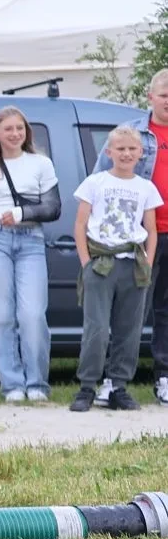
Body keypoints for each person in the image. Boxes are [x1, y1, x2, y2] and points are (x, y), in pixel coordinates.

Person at [0, 107, 59, 403]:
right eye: (8, 129)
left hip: (31, 241)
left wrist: (21, 213)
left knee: (32, 314)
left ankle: (37, 383)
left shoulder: (40, 164)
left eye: (20, 128)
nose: (15, 134)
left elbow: (53, 208)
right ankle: (12, 385)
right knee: (0, 317)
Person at [70, 126, 161, 412]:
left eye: (132, 149)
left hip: (132, 264)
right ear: (108, 152)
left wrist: (146, 260)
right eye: (120, 148)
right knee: (96, 328)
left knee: (129, 329)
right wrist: (86, 262)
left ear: (141, 153)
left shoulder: (145, 187)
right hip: (101, 262)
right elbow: (81, 225)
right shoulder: (95, 183)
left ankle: (118, 385)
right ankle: (87, 386)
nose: (126, 153)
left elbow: (151, 229)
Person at [92, 68, 168, 403]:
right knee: (129, 312)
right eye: (164, 95)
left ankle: (164, 378)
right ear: (150, 97)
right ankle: (114, 380)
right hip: (140, 240)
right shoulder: (132, 134)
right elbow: (98, 182)